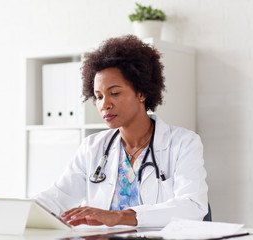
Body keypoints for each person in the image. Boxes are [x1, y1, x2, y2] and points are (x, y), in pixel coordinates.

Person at [33, 35, 208, 228]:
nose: (104, 104)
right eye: (98, 97)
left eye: (114, 93)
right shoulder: (93, 147)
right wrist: (8, 207)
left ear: (141, 93)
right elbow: (57, 198)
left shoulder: (183, 143)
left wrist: (120, 216)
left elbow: (192, 207)